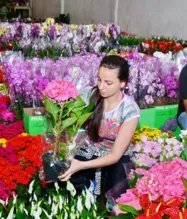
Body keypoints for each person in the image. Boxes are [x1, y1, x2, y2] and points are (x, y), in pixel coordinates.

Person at [59, 55, 140, 199]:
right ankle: (89, 185)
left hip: (116, 155)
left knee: (117, 195)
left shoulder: (130, 109)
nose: (101, 87)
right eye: (99, 79)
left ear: (122, 83)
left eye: (108, 83)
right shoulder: (88, 95)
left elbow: (115, 155)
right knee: (62, 170)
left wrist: (81, 165)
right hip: (89, 148)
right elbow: (70, 125)